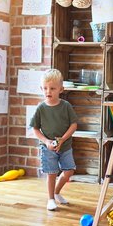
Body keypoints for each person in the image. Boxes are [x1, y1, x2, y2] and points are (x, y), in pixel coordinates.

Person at [30, 69, 78, 211]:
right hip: (48, 148)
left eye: (52, 88)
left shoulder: (66, 106)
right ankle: (51, 199)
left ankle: (57, 192)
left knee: (69, 171)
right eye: (45, 88)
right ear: (41, 89)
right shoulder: (41, 108)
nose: (48, 91)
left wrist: (63, 139)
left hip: (65, 146)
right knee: (51, 173)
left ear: (61, 89)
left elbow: (74, 124)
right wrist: (46, 141)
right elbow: (35, 129)